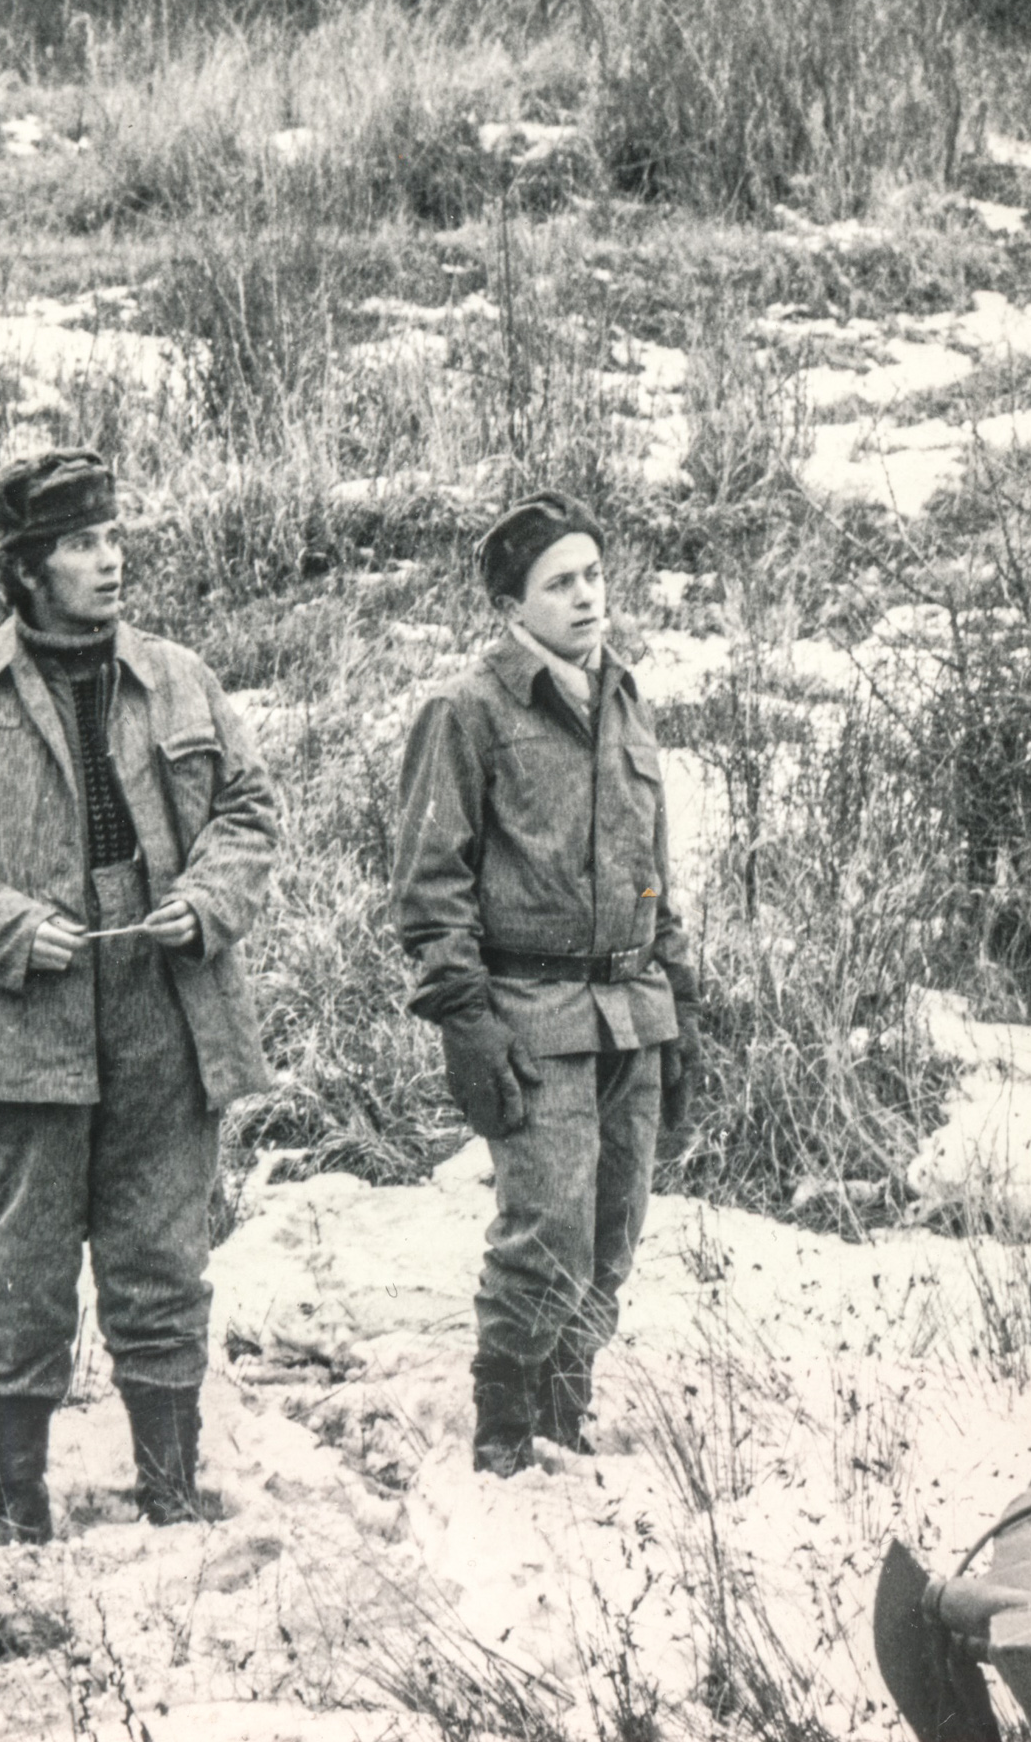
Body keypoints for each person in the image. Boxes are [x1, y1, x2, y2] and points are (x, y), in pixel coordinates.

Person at [0, 449, 277, 1542]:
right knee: (22, 1270)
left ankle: (171, 1494)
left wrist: (205, 899)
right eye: (80, 544)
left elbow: (248, 810)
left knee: (162, 1258)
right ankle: (18, 1507)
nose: (110, 561)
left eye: (113, 537)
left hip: (165, 1009)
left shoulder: (180, 678)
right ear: (25, 568)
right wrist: (8, 925)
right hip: (20, 1023)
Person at [393, 490, 701, 1476]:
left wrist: (682, 1007)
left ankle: (565, 1422)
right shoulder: (468, 711)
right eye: (559, 582)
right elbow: (431, 885)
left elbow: (654, 869)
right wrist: (465, 1020)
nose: (585, 596)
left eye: (593, 574)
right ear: (510, 606)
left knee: (612, 1235)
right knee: (546, 1236)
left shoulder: (624, 696)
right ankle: (503, 1441)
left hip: (632, 1012)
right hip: (532, 1018)